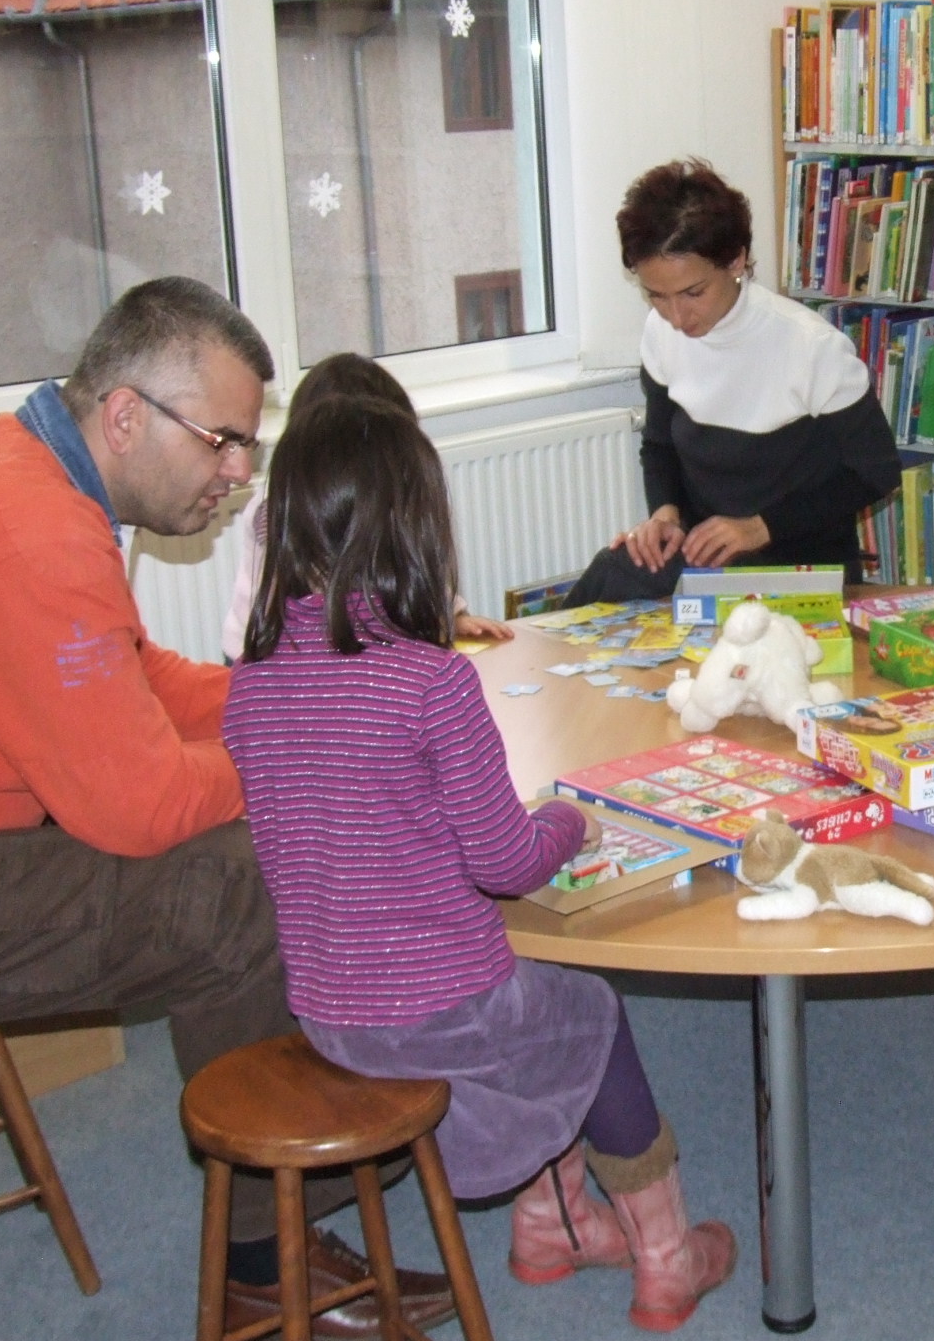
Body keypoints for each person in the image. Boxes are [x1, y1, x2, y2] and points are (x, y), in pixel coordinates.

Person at [0, 276, 455, 1340]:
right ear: (125, 416)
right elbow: (144, 807)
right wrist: (311, 745)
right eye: (222, 441)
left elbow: (138, 675)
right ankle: (266, 1256)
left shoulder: (26, 474)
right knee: (237, 884)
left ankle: (309, 1168)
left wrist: (305, 696)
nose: (239, 472)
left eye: (247, 444)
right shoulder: (27, 531)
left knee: (241, 835)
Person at [222, 395, 736, 1333]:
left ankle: (551, 1227)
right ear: (415, 527)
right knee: (589, 1012)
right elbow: (507, 863)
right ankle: (668, 1259)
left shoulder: (250, 683)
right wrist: (570, 821)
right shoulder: (430, 678)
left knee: (539, 1004)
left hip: (329, 1011)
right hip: (442, 1012)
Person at [564, 158, 901, 605]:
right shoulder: (660, 332)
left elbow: (876, 472)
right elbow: (660, 446)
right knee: (611, 578)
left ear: (736, 260)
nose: (676, 316)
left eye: (693, 293)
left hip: (799, 562)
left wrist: (760, 527)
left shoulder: (810, 346)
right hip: (705, 563)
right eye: (656, 296)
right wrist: (665, 516)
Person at [218, 351, 511, 662]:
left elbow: (413, 562)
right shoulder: (277, 507)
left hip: (345, 647)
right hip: (263, 654)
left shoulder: (389, 494)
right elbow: (298, 597)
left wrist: (451, 614)